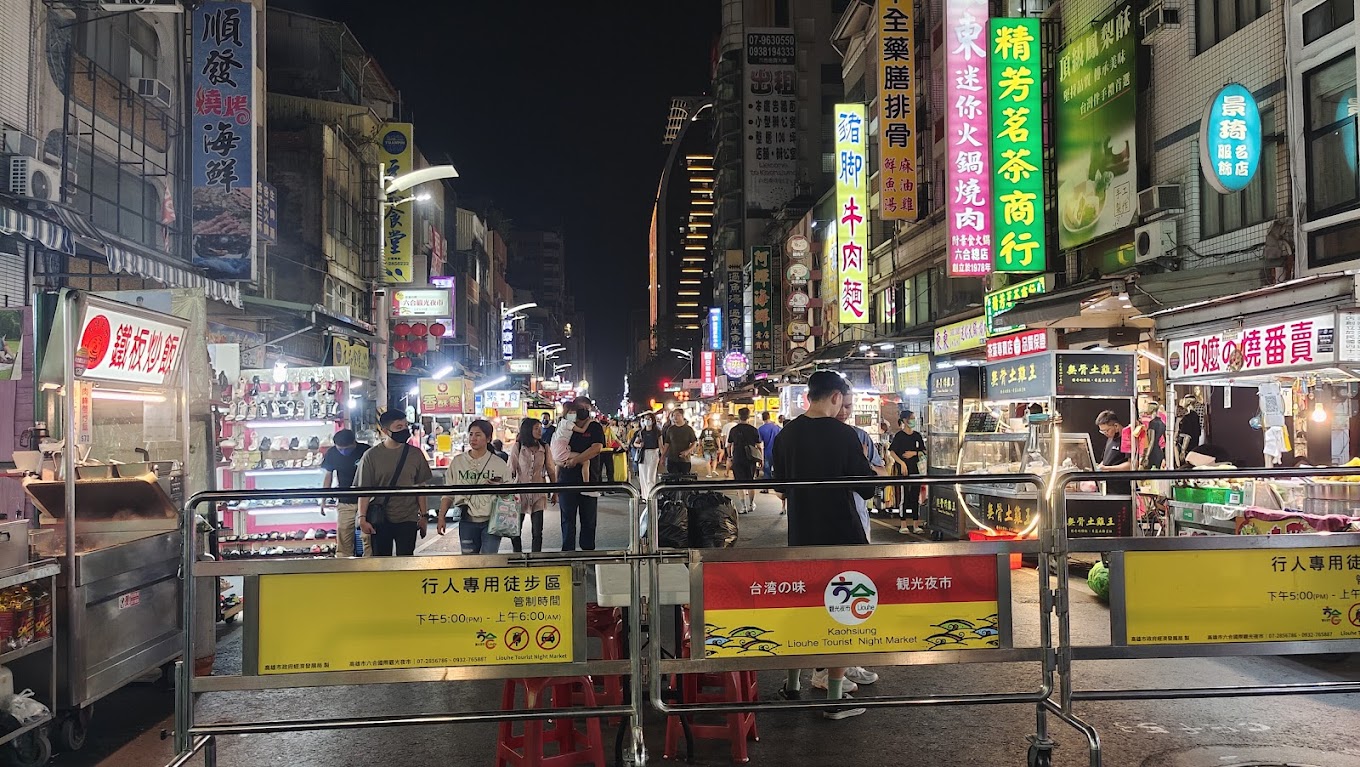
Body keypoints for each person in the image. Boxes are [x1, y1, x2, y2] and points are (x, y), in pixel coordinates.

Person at [772, 371, 878, 719]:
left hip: (801, 535)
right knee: (842, 614)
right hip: (842, 536)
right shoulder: (844, 434)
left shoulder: (787, 434)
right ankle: (834, 698)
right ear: (835, 397)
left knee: (802, 608)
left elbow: (780, 487)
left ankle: (792, 684)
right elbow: (867, 488)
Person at [356, 410, 434, 557]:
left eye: (405, 426)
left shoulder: (415, 454)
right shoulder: (371, 456)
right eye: (399, 427)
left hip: (408, 517)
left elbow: (421, 487)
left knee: (406, 559)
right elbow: (364, 490)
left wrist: (424, 516)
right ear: (385, 431)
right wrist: (362, 518)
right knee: (381, 559)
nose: (404, 430)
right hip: (381, 517)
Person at [439, 420, 511, 554]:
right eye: (471, 434)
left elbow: (509, 494)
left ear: (488, 438)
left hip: (492, 521)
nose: (473, 438)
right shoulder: (458, 462)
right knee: (469, 561)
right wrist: (441, 516)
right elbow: (448, 492)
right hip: (467, 521)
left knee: (488, 561)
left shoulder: (498, 464)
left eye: (478, 435)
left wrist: (499, 488)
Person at [558, 396, 605, 551]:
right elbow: (555, 449)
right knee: (567, 520)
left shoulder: (595, 427)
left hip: (589, 480)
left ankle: (588, 555)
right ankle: (568, 554)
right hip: (566, 480)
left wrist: (576, 460)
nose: (583, 411)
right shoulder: (565, 425)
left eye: (586, 408)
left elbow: (596, 448)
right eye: (580, 408)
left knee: (589, 522)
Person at [837, 398, 888, 537]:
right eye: (840, 406)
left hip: (859, 516)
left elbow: (883, 475)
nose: (843, 411)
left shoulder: (860, 436)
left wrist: (864, 463)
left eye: (848, 406)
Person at [508, 417, 557, 553]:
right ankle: (517, 555)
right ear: (528, 430)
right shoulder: (518, 447)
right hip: (519, 494)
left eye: (540, 428)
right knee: (515, 530)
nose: (540, 431)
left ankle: (536, 557)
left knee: (537, 531)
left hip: (538, 493)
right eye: (536, 428)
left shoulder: (544, 447)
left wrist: (555, 491)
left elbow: (551, 470)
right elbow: (510, 470)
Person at [321, 429, 370, 557]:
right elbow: (328, 476)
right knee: (344, 535)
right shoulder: (332, 453)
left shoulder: (366, 451)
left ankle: (370, 562)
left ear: (354, 443)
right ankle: (344, 562)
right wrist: (323, 499)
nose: (343, 452)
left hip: (366, 500)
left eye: (347, 449)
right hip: (345, 500)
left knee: (368, 536)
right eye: (340, 449)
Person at [889, 411, 926, 534]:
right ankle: (903, 524)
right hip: (903, 471)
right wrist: (901, 463)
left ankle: (916, 524)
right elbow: (892, 452)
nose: (913, 420)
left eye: (914, 418)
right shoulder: (899, 436)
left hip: (916, 470)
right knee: (904, 496)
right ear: (904, 420)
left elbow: (923, 451)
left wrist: (914, 453)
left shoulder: (917, 436)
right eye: (911, 418)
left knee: (915, 496)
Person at [726, 407, 762, 514]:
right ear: (748, 416)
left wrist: (730, 457)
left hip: (737, 458)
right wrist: (761, 459)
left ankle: (743, 506)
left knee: (739, 482)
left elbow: (729, 445)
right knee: (750, 481)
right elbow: (759, 446)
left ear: (739, 416)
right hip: (750, 459)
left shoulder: (734, 430)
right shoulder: (753, 429)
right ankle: (751, 504)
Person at [1095, 410, 1133, 495]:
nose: (1105, 433)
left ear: (1116, 426)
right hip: (1108, 488)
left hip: (1121, 489)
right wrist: (1099, 467)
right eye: (1102, 431)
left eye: (1107, 430)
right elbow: (1106, 460)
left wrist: (1107, 468)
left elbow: (1130, 465)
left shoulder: (1127, 438)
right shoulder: (1110, 438)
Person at [633, 412, 662, 500]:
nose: (647, 420)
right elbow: (635, 443)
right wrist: (639, 445)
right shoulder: (641, 432)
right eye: (645, 419)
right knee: (643, 476)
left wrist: (662, 457)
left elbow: (661, 445)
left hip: (653, 453)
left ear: (653, 421)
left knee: (650, 477)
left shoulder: (657, 432)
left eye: (649, 419)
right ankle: (645, 497)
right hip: (643, 454)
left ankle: (651, 496)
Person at [661, 408, 698, 476]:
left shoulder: (689, 429)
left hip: (684, 460)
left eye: (677, 415)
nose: (675, 417)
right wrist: (663, 457)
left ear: (682, 416)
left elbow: (694, 442)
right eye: (673, 415)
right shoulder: (670, 429)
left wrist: (687, 451)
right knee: (673, 478)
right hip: (672, 459)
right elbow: (667, 444)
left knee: (683, 479)